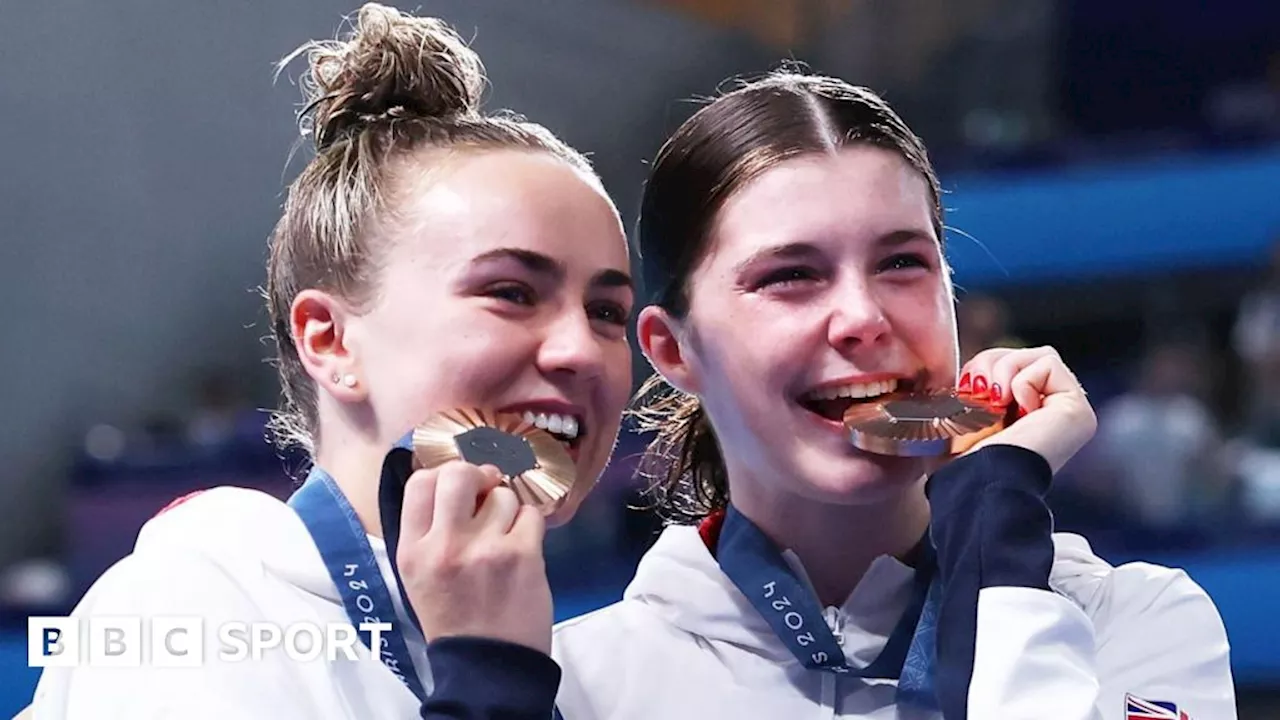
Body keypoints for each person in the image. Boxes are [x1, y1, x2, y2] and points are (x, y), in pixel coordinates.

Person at [551, 71, 1236, 719]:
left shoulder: (1134, 624)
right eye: (792, 274)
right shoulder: (575, 688)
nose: (863, 317)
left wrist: (1001, 568)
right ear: (672, 349)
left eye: (902, 263)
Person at [31, 5, 634, 719]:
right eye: (510, 293)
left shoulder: (581, 672)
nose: (578, 352)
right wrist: (490, 684)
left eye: (606, 313)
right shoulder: (180, 615)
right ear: (331, 341)